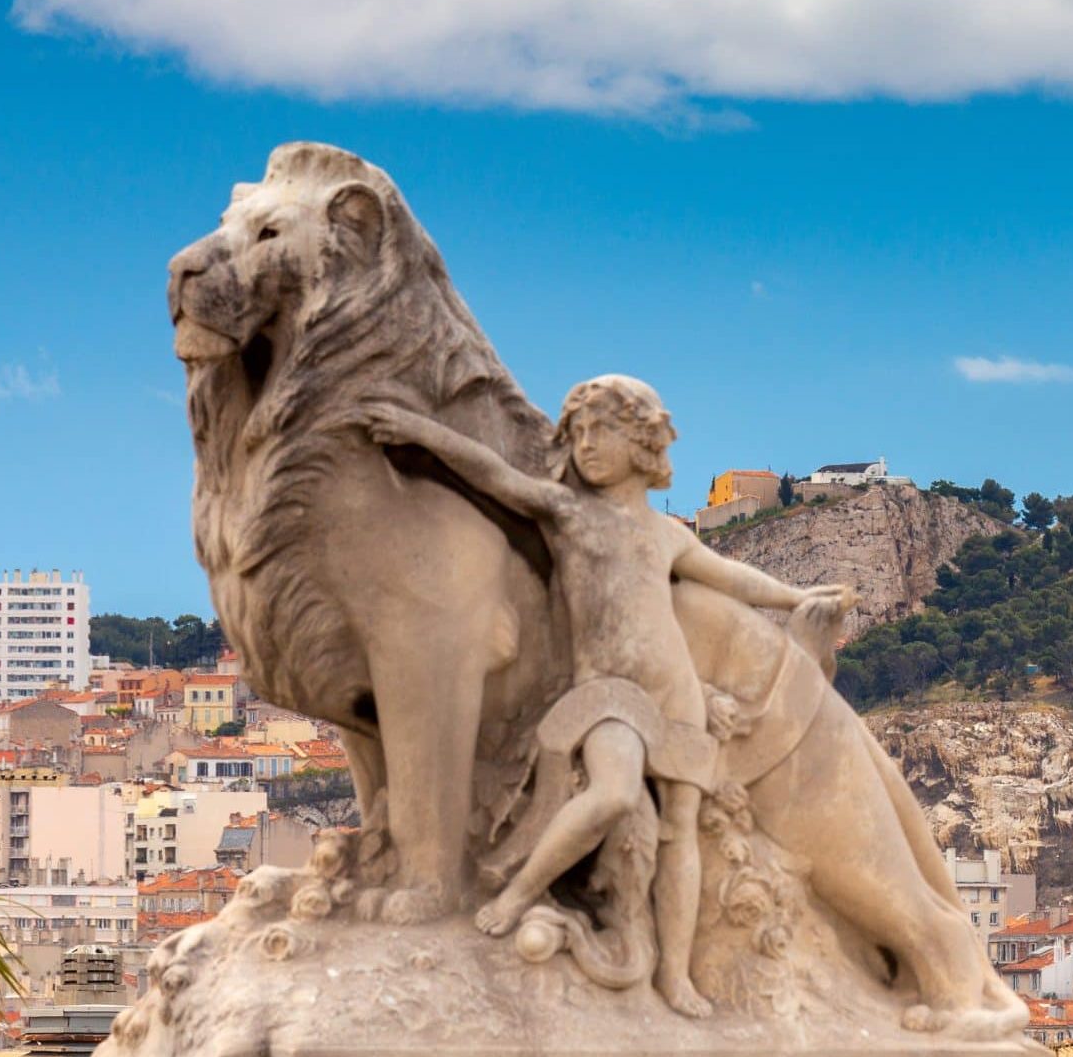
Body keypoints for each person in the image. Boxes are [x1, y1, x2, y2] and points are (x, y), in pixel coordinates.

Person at [359, 376, 846, 1018]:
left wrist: (796, 597)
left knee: (679, 832)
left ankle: (674, 974)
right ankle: (517, 894)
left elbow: (730, 576)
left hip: (675, 693)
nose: (586, 444)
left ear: (641, 443)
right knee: (613, 791)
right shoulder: (569, 512)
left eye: (602, 431)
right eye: (579, 432)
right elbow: (493, 476)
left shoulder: (665, 534)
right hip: (605, 693)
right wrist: (420, 432)